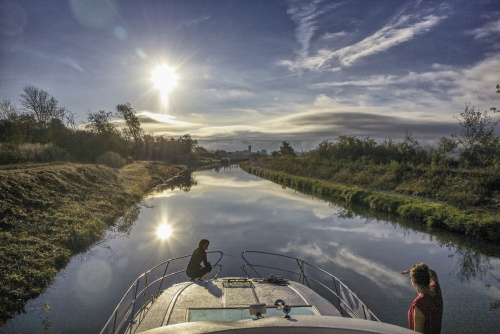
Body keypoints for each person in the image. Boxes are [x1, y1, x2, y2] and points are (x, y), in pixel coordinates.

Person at [400, 263, 443, 333]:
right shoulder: (436, 288)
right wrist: (417, 272)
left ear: (413, 281)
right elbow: (433, 273)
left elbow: (418, 332)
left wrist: (414, 272)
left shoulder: (419, 303)